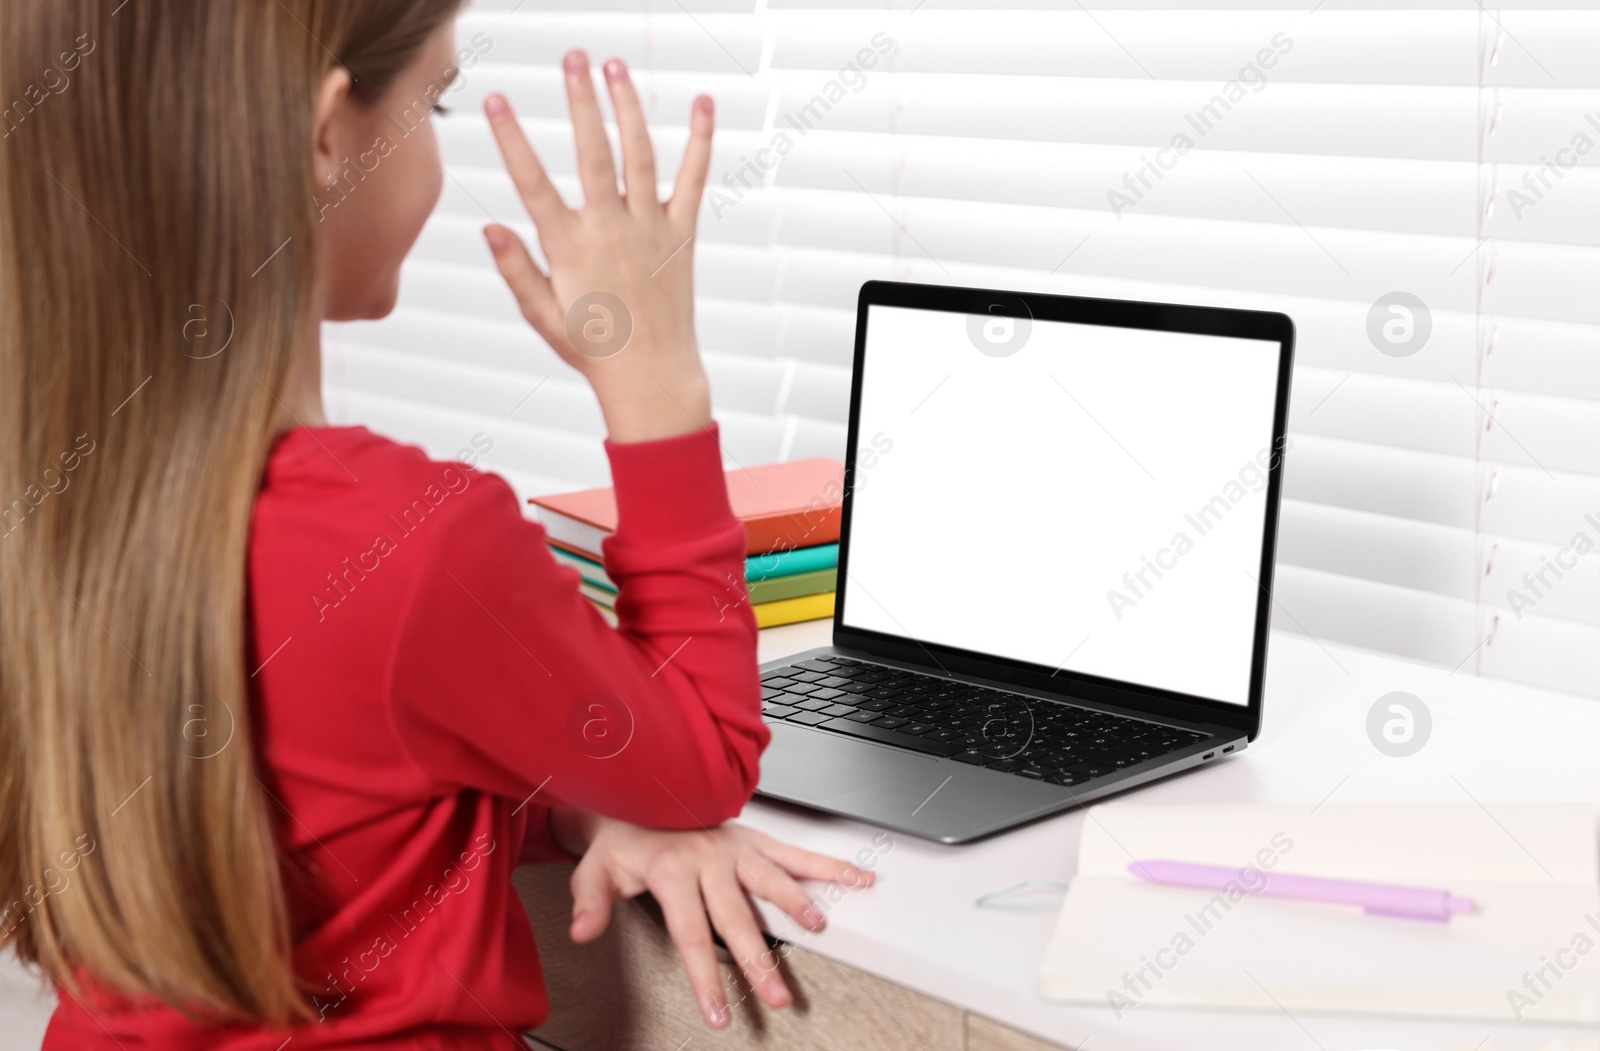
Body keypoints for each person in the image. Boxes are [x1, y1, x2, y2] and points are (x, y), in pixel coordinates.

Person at [0, 2, 869, 1047]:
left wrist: (575, 802)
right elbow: (705, 757)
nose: (439, 139)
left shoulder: (54, 509)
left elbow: (333, 795)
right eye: (435, 100)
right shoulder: (408, 540)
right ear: (328, 137)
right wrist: (655, 385)